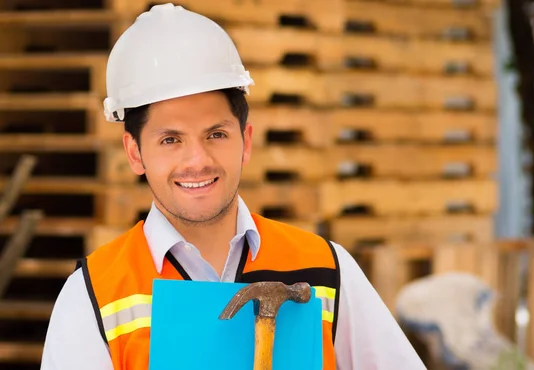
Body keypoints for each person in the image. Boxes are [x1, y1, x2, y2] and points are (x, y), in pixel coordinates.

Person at [40, 3, 426, 369]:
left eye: (216, 134)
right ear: (135, 152)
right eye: (170, 140)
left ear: (246, 141)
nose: (197, 160)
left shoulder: (326, 270)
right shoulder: (95, 295)